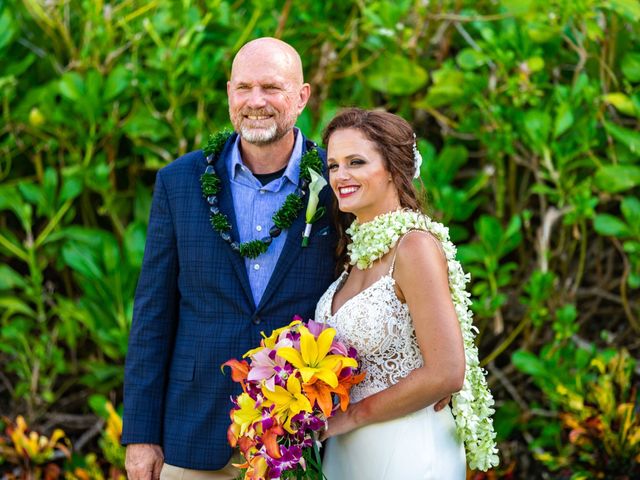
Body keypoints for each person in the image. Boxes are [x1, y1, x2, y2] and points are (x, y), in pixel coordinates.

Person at [121, 38, 337, 480]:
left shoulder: (339, 180)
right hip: (194, 433)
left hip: (303, 440)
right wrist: (140, 436)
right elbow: (152, 314)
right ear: (228, 94)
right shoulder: (179, 182)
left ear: (302, 96)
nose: (256, 102)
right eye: (244, 88)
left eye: (272, 88)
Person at [315, 108, 469, 479]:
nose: (341, 176)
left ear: (393, 169)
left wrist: (353, 416)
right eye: (333, 165)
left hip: (407, 450)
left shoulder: (414, 247)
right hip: (346, 454)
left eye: (356, 162)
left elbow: (447, 372)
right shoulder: (352, 256)